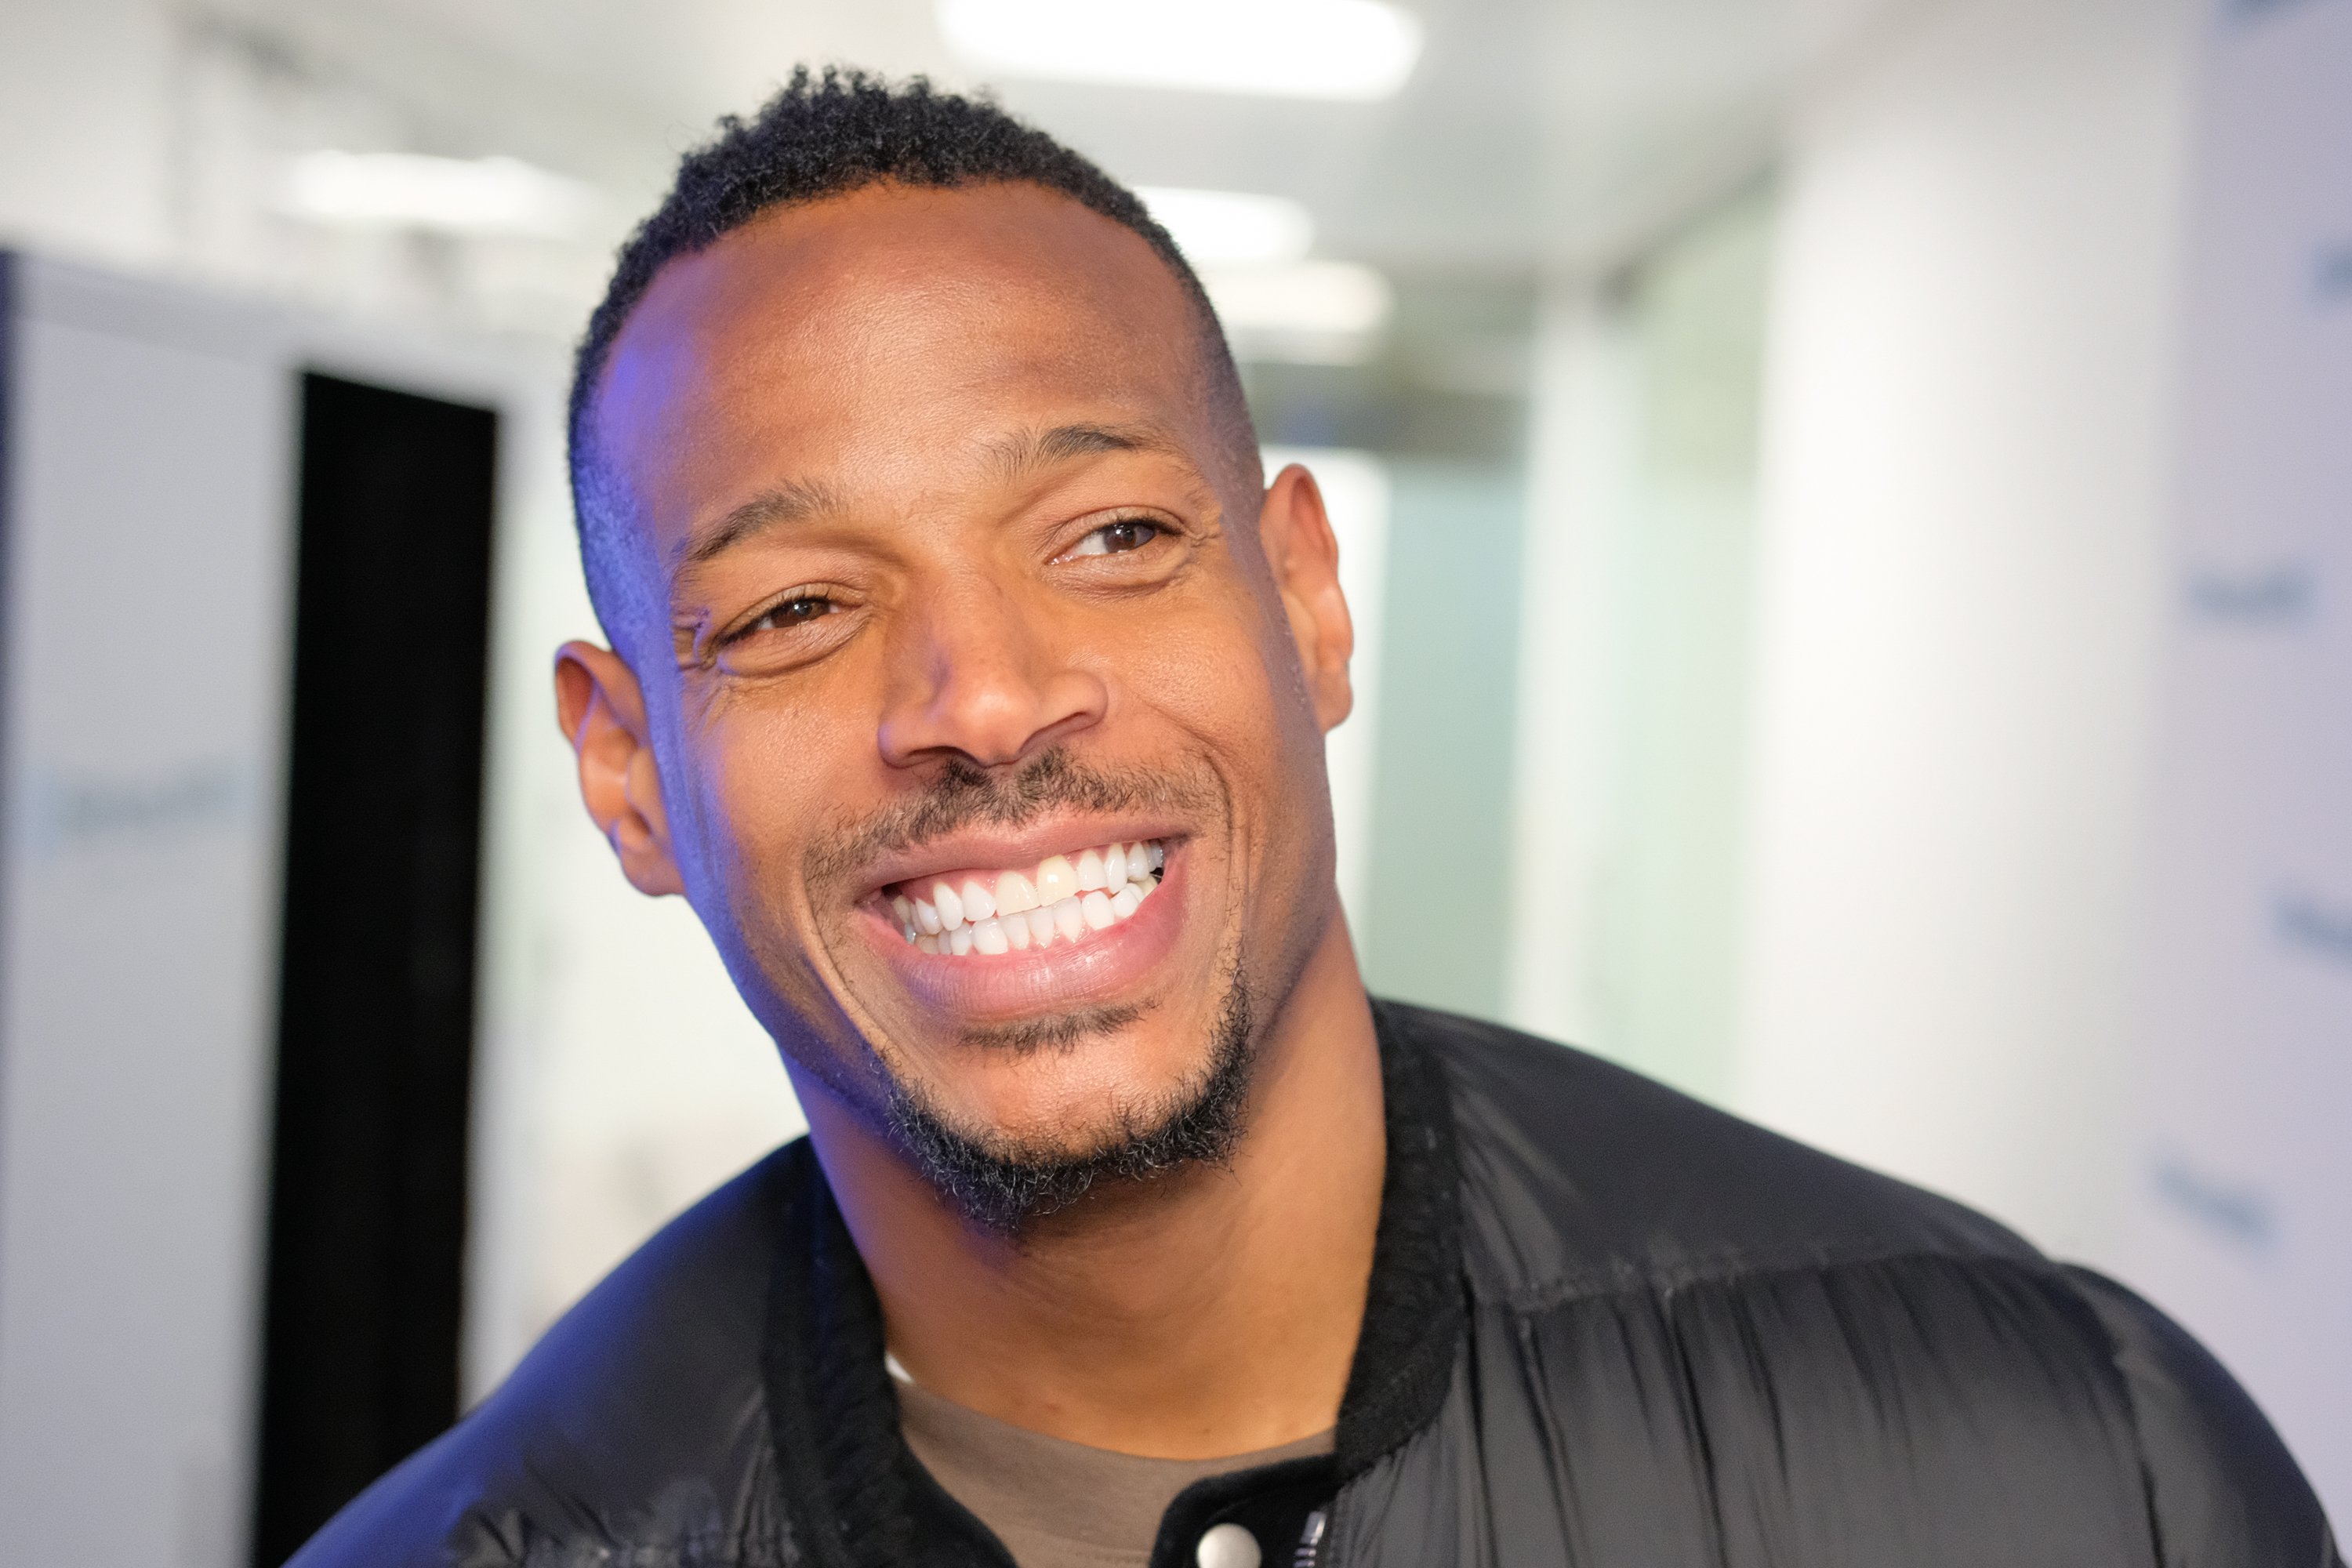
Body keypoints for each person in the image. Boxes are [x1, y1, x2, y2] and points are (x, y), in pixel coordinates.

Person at [292, 68, 2339, 1568]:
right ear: (626, 768)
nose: (984, 700)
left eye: (1107, 535)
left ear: (1309, 603)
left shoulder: (2069, 1470)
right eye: (804, 610)